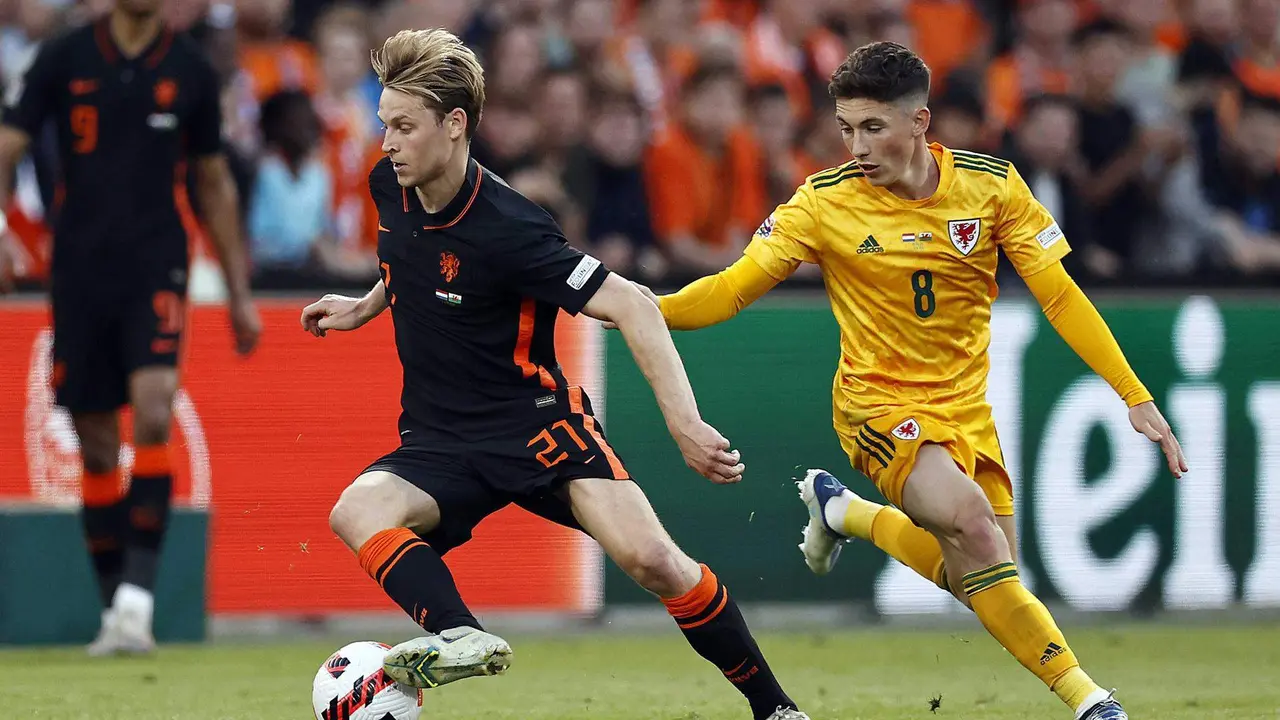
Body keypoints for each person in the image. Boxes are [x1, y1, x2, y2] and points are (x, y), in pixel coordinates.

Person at [641, 42, 1190, 720]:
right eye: (845, 128)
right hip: (876, 406)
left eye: (872, 127)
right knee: (972, 526)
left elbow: (1061, 297)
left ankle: (844, 513)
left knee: (984, 580)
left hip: (965, 411)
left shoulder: (991, 187)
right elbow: (729, 291)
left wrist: (1134, 396)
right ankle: (1091, 700)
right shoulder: (823, 203)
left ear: (920, 122)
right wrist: (639, 309)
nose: (856, 145)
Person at [298, 28, 809, 720]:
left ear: (454, 126)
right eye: (384, 122)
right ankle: (461, 634)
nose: (385, 140)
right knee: (355, 511)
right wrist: (365, 307)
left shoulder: (512, 227)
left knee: (657, 563)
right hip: (442, 437)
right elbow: (409, 261)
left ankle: (776, 710)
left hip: (538, 428)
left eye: (403, 126)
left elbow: (632, 304)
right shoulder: (389, 184)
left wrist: (685, 424)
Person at [0, 0, 261, 654]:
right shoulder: (64, 56)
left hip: (157, 265)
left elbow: (211, 179)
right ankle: (115, 602)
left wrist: (237, 292)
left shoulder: (191, 67)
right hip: (80, 272)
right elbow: (6, 145)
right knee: (93, 441)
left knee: (152, 407)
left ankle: (139, 599)